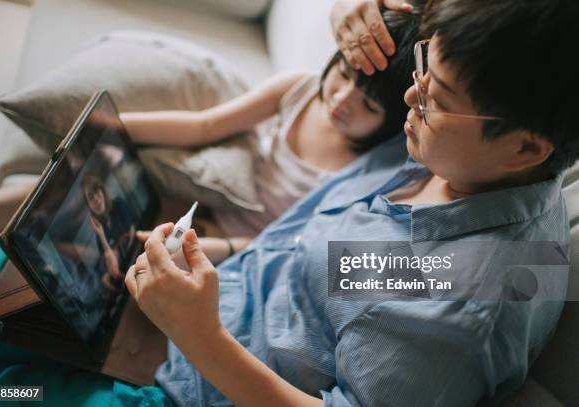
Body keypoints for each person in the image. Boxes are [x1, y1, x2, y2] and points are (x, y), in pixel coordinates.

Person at [123, 0, 579, 405]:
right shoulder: (470, 162)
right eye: (423, 67)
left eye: (434, 98)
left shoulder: (460, 311)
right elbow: (347, 268)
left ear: (524, 148)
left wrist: (201, 335)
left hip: (187, 379)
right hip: (209, 298)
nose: (409, 95)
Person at [121, 4, 422, 268]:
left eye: (368, 106)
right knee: (115, 223)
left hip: (254, 251)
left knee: (133, 265)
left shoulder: (367, 169)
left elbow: (294, 243)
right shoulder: (299, 90)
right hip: (217, 205)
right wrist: (115, 124)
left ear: (392, 122)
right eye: (343, 75)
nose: (342, 100)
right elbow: (205, 126)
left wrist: (220, 249)